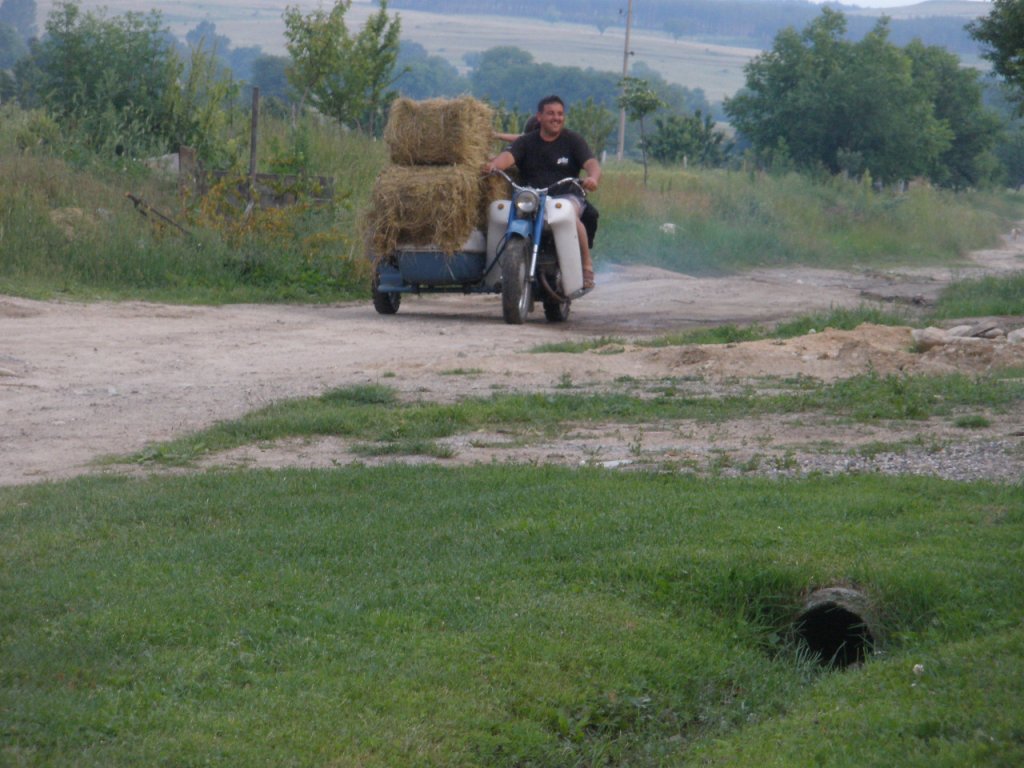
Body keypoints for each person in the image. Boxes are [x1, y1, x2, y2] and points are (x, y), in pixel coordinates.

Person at [484, 96, 601, 290]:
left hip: (566, 196)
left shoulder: (572, 140)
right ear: (539, 117)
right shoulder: (526, 141)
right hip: (532, 196)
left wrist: (593, 177)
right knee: (500, 213)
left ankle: (586, 266)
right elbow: (508, 157)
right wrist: (493, 165)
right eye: (551, 113)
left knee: (570, 215)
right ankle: (495, 272)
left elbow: (591, 163)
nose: (556, 118)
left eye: (560, 114)